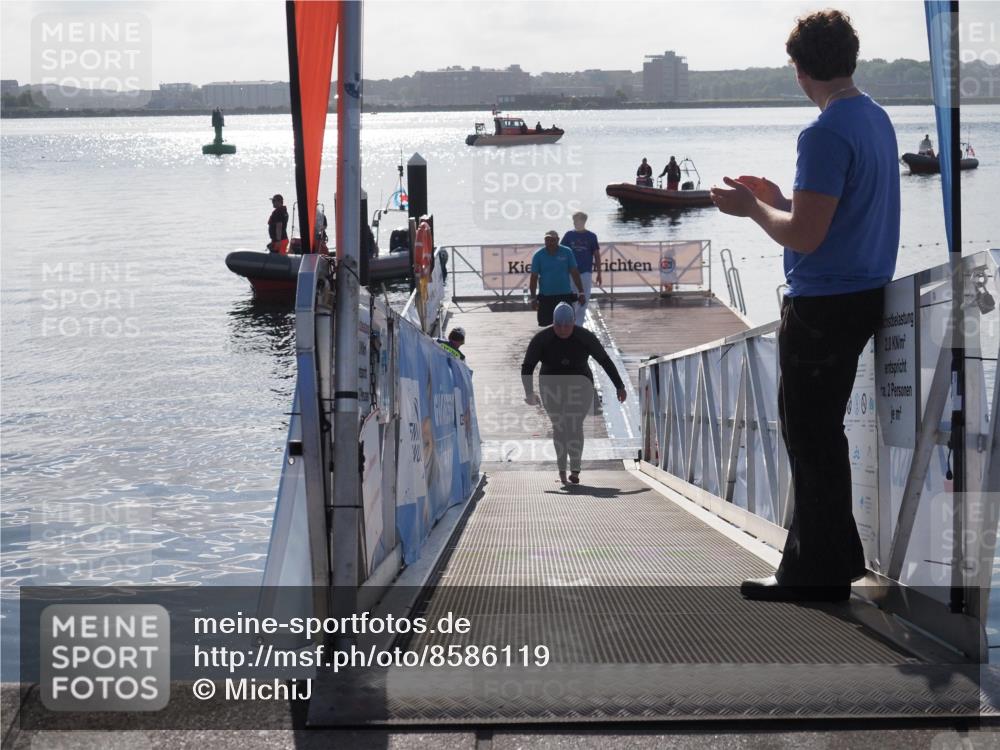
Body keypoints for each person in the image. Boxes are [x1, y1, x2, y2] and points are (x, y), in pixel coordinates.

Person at [710, 9, 899, 603]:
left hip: (823, 303)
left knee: (809, 435)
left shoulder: (822, 133)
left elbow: (805, 237)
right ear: (851, 57)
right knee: (822, 433)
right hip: (866, 290)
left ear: (799, 70)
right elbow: (834, 212)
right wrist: (779, 197)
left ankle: (812, 573)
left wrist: (752, 210)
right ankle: (837, 556)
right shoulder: (875, 118)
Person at [521, 302, 627, 485]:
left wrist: (620, 386)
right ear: (553, 323)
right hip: (551, 385)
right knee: (560, 426)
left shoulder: (584, 337)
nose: (562, 330)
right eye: (558, 326)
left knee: (575, 424)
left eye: (566, 326)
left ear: (573, 323)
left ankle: (575, 468)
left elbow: (604, 360)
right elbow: (528, 366)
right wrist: (529, 393)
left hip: (581, 384)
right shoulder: (542, 338)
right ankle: (562, 467)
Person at [529, 230, 586, 327]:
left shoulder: (567, 252)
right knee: (545, 326)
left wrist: (581, 292)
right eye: (547, 240)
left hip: (564, 296)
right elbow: (533, 278)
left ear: (558, 240)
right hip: (546, 297)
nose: (550, 243)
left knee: (567, 325)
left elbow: (575, 273)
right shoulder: (538, 255)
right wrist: (533, 298)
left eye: (552, 240)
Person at [561, 211, 602, 326]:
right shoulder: (569, 235)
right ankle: (570, 323)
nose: (574, 223)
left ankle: (578, 325)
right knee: (571, 299)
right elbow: (561, 252)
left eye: (576, 220)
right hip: (571, 273)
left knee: (584, 299)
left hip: (585, 273)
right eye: (573, 221)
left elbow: (597, 255)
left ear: (583, 221)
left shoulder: (592, 236)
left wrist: (599, 273)